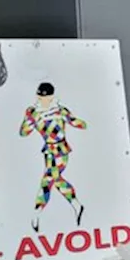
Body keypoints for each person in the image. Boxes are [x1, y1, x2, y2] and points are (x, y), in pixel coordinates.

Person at [19, 82, 88, 232]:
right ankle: (76, 205)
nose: (43, 99)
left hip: (61, 150)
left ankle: (37, 212)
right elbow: (24, 132)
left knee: (48, 180)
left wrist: (71, 118)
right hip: (49, 152)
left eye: (46, 96)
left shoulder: (60, 110)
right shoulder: (33, 112)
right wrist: (31, 121)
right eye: (40, 96)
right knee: (55, 180)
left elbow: (79, 123)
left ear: (52, 96)